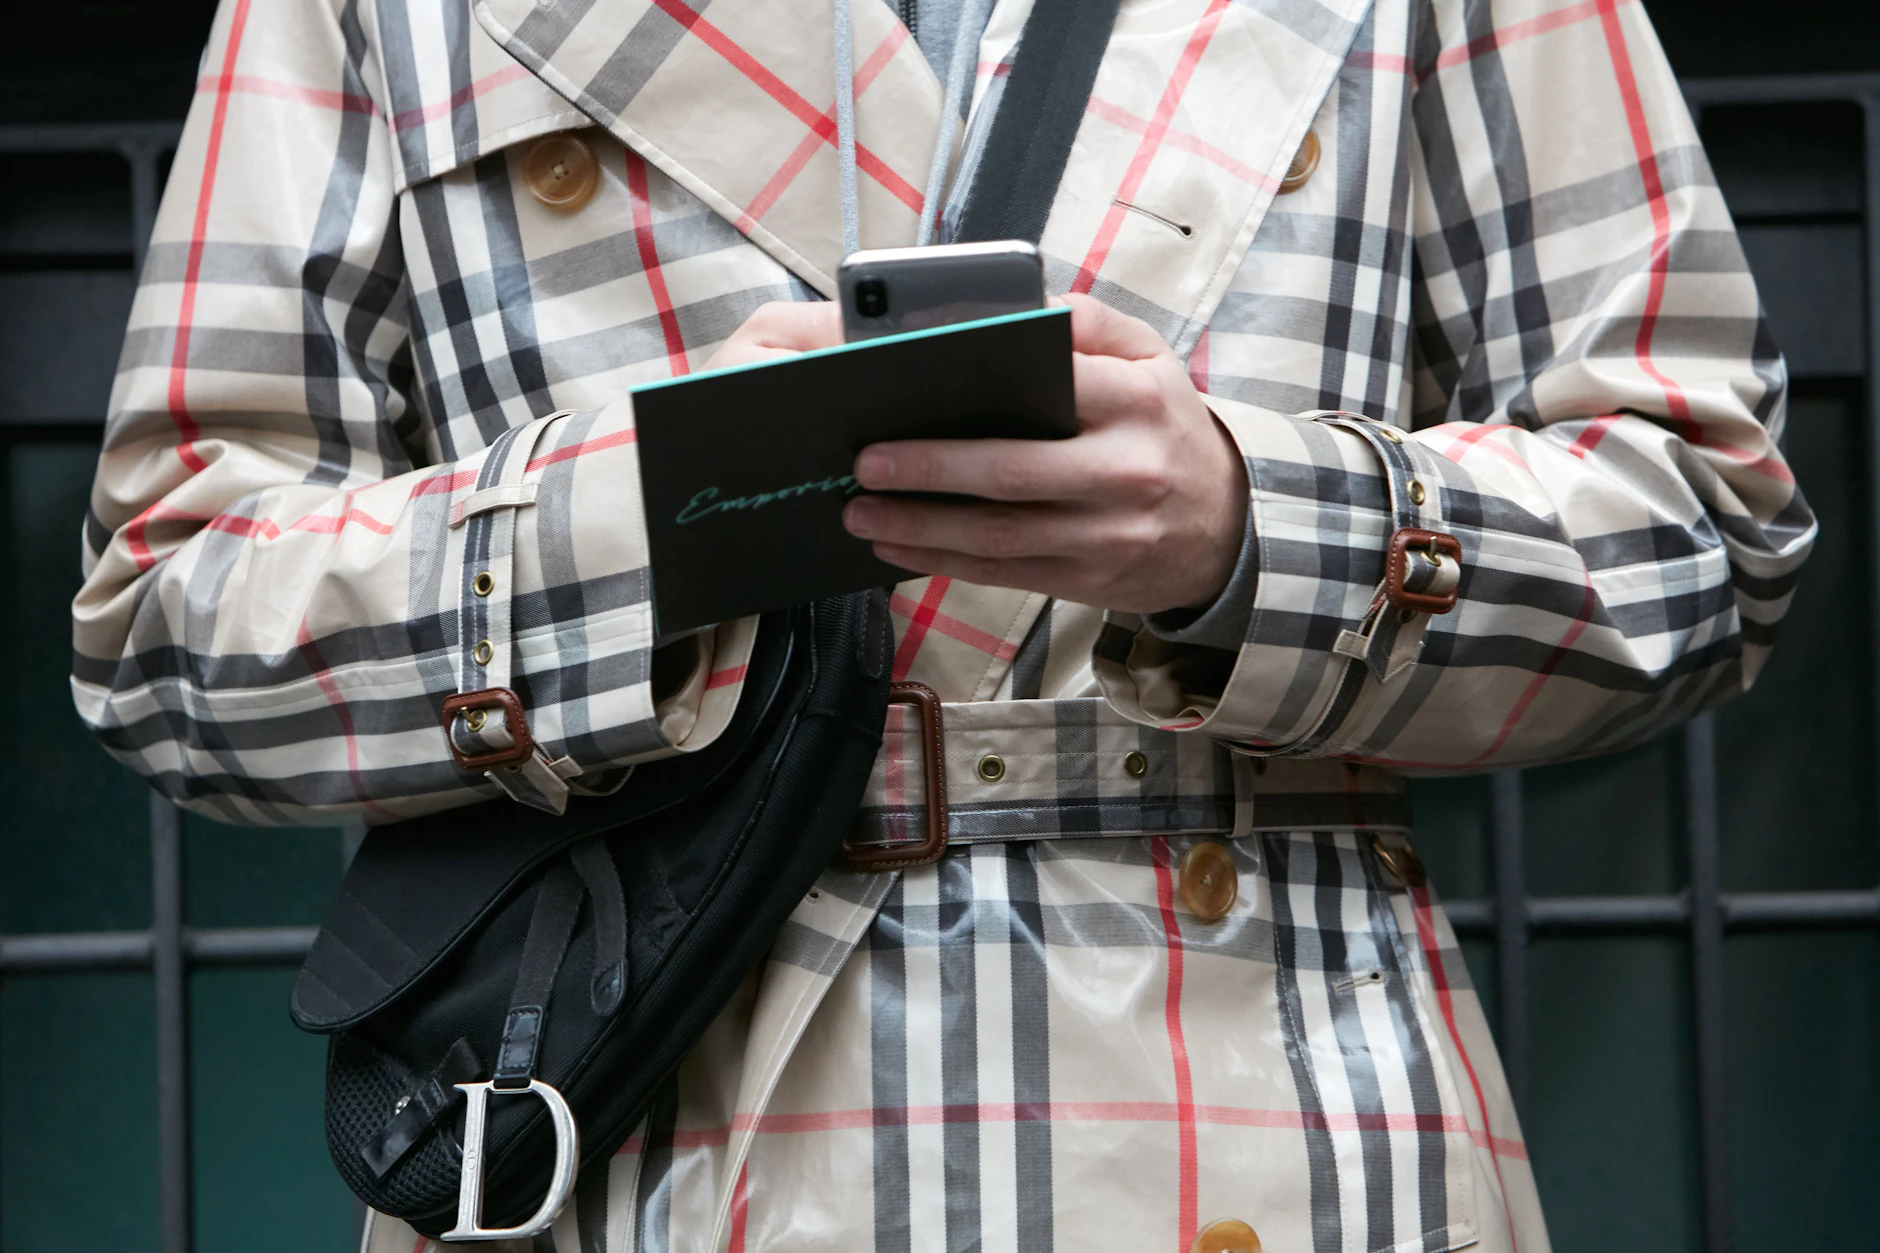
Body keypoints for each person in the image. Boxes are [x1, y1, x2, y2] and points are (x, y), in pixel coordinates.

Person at [72, 0, 1813, 1249]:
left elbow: (1707, 524)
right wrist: (642, 519)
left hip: (1276, 1121)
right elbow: (164, 619)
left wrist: (1251, 525)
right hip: (639, 1117)